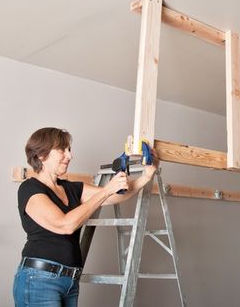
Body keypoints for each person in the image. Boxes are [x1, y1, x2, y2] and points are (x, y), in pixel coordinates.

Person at [13, 127, 158, 307]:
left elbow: (116, 196)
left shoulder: (72, 188)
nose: (69, 156)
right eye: (62, 150)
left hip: (70, 281)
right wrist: (106, 190)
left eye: (69, 150)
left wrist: (146, 175)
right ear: (41, 155)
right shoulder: (30, 189)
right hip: (39, 280)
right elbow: (64, 225)